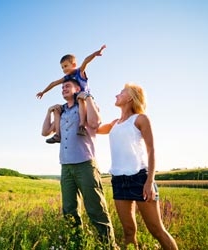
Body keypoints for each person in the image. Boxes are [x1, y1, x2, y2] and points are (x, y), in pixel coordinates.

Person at [97, 83, 178, 250]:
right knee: (128, 231)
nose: (116, 95)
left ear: (130, 98)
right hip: (119, 180)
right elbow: (94, 128)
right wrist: (88, 103)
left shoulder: (141, 119)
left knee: (156, 230)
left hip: (140, 178)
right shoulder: (114, 124)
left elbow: (151, 150)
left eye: (121, 92)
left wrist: (149, 182)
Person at [41, 78, 118, 249]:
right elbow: (45, 131)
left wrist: (88, 97)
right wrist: (48, 112)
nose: (63, 89)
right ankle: (76, 244)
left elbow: (95, 123)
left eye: (67, 86)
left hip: (85, 164)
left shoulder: (84, 106)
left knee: (95, 208)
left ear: (78, 88)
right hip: (66, 166)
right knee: (69, 210)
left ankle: (109, 246)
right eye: (61, 87)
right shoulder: (62, 113)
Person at [37, 44, 106, 144]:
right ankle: (58, 135)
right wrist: (43, 92)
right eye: (62, 68)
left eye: (65, 66)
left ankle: (81, 125)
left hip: (84, 98)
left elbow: (86, 61)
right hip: (74, 101)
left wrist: (96, 53)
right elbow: (54, 83)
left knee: (79, 98)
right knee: (57, 110)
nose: (64, 69)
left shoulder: (79, 72)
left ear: (73, 65)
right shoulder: (67, 78)